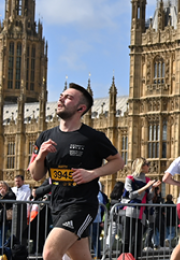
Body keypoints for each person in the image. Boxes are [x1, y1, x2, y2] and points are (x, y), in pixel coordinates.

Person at [27, 83, 125, 260]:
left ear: (81, 108)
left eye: (68, 97)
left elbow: (118, 161)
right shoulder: (45, 136)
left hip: (81, 205)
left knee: (50, 252)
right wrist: (40, 155)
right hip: (57, 205)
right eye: (61, 95)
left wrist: (93, 173)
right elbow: (35, 174)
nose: (61, 99)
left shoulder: (93, 137)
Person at [121, 158, 159, 257]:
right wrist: (146, 187)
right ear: (141, 166)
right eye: (147, 164)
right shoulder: (130, 178)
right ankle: (124, 258)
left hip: (142, 213)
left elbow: (149, 197)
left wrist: (153, 188)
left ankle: (135, 257)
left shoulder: (147, 180)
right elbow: (131, 195)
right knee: (127, 238)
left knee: (138, 240)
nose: (149, 166)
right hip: (130, 212)